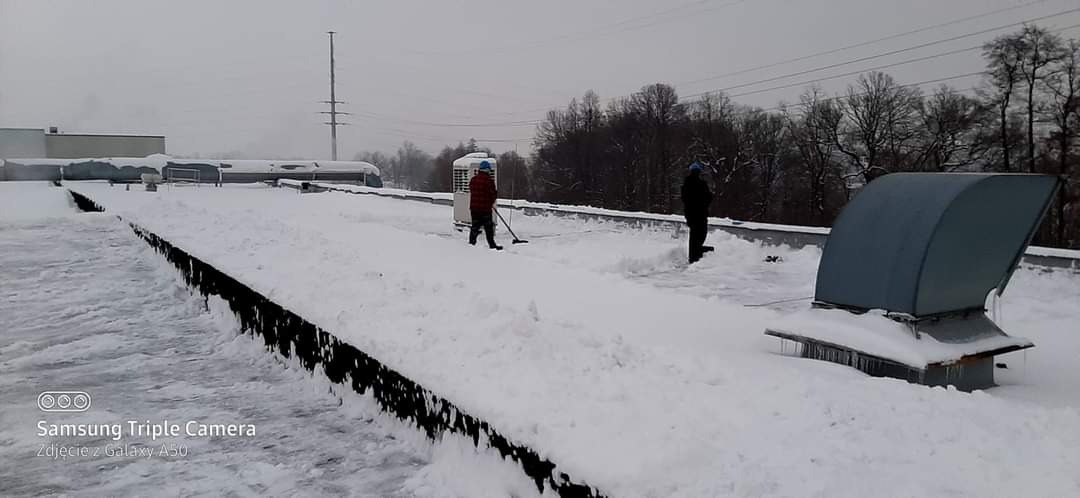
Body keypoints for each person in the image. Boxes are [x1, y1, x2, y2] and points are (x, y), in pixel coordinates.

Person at [680, 162, 713, 264]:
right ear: (699, 172)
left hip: (690, 213)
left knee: (694, 234)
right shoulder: (702, 184)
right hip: (700, 213)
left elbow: (684, 199)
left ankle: (693, 255)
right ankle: (696, 254)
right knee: (701, 233)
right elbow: (708, 197)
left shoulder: (686, 184)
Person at [468, 161, 503, 250]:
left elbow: (472, 191)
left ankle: (471, 244)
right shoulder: (489, 181)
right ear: (487, 170)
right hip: (485, 209)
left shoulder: (473, 180)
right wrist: (490, 202)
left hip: (474, 208)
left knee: (475, 227)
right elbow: (493, 195)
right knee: (488, 228)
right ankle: (492, 245)